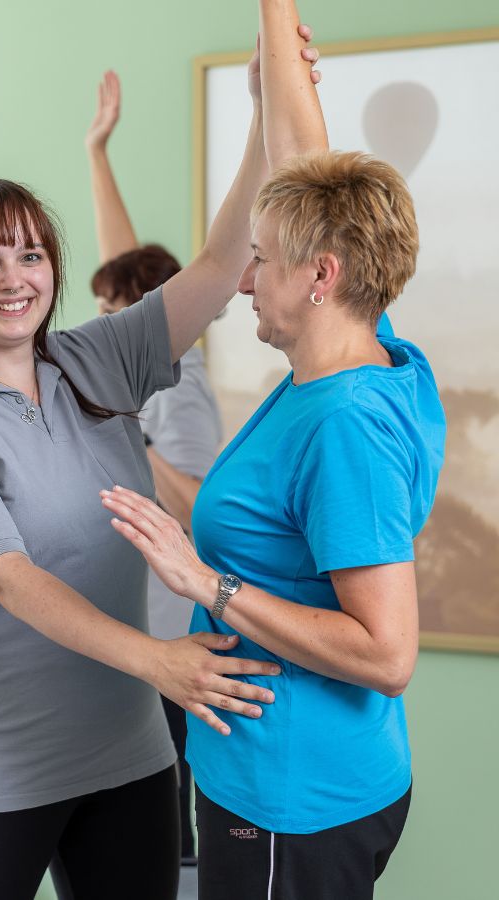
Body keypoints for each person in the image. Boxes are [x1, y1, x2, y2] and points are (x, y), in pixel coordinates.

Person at [0, 25, 321, 900]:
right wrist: (159, 662)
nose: (14, 277)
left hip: (125, 753)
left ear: (55, 270)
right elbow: (10, 576)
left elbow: (224, 259)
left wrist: (266, 111)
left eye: (31, 254)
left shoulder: (97, 360)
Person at [100, 2, 443, 898]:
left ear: (320, 275)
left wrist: (204, 582)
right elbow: (308, 167)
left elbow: (387, 651)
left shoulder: (343, 426)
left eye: (262, 261)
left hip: (295, 796)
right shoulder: (363, 346)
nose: (243, 279)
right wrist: (272, 34)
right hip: (303, 773)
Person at [84, 68, 228, 865]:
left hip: (174, 642)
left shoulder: (182, 386)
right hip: (135, 635)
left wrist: (129, 440)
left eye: (116, 316)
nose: (104, 331)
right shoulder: (143, 376)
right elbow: (126, 262)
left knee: (165, 833)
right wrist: (97, 152)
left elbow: (198, 500)